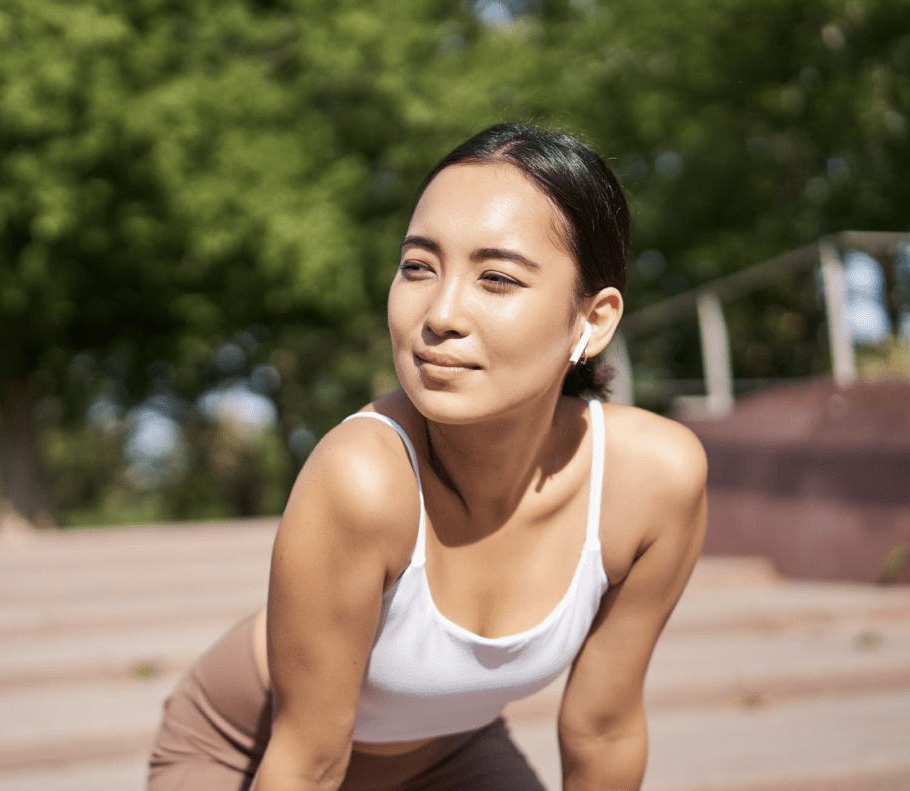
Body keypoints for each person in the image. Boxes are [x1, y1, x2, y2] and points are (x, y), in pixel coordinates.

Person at [148, 123, 707, 791]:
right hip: (250, 750)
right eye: (419, 266)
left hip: (453, 757)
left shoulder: (652, 482)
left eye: (496, 278)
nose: (440, 312)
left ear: (593, 319)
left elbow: (603, 728)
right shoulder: (361, 477)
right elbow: (307, 764)